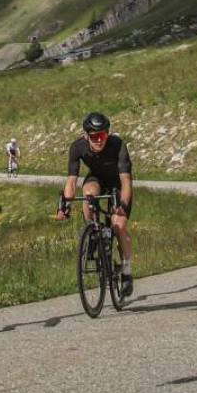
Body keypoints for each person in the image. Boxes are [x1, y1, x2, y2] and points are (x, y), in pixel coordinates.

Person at [57, 111, 133, 295]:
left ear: (108, 134)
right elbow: (71, 181)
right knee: (88, 193)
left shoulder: (118, 145)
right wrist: (65, 206)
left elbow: (126, 183)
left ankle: (126, 271)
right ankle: (93, 231)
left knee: (119, 226)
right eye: (94, 137)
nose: (99, 140)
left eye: (103, 136)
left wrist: (122, 206)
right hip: (97, 178)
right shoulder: (78, 147)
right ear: (86, 136)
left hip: (117, 184)